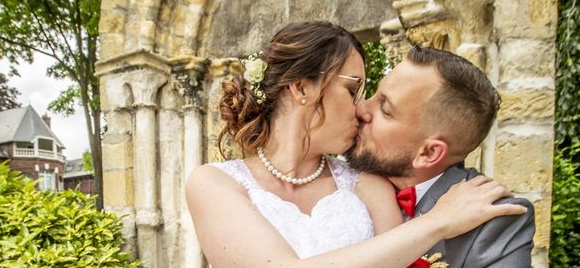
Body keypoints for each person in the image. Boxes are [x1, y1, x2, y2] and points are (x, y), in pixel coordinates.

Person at [186, 21, 527, 268]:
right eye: (353, 91)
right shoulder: (214, 183)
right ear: (302, 88)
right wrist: (437, 221)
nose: (361, 109)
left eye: (378, 102)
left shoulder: (366, 183)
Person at [346, 45, 536, 267]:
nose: (360, 109)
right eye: (374, 95)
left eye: (385, 110)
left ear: (428, 153)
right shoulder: (329, 183)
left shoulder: (495, 220)